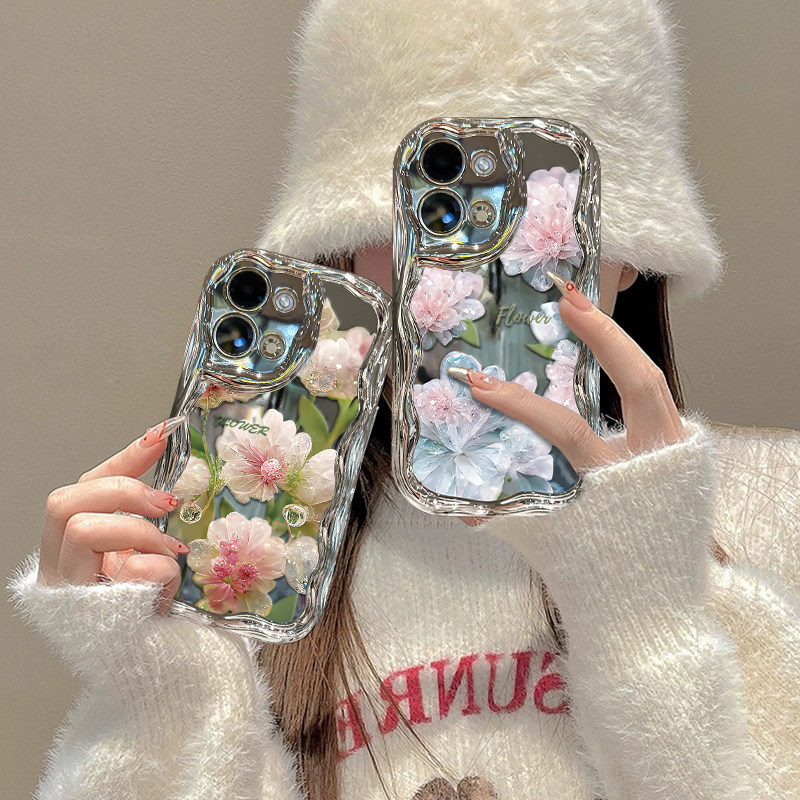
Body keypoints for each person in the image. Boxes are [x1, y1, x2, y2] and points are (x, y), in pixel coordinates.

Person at [8, 1, 800, 798]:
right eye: (430, 213)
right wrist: (163, 690)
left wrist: (646, 611)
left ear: (633, 256)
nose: (464, 271)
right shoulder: (255, 559)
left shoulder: (778, 501)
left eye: (533, 213)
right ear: (345, 252)